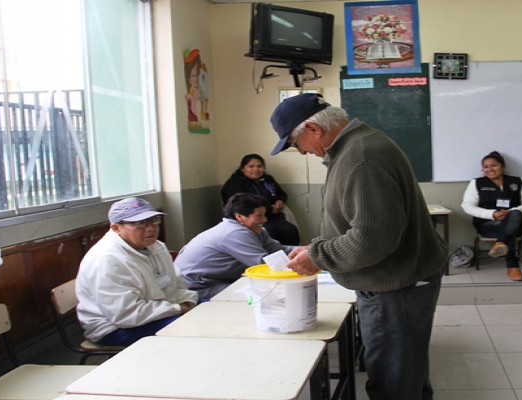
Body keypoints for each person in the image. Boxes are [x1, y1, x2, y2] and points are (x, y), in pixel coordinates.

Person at [269, 93, 447, 400]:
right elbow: (355, 221)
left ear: (314, 129)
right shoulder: (354, 148)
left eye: (296, 144)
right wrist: (315, 247)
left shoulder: (362, 157)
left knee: (393, 383)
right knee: (407, 373)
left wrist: (318, 257)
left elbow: (372, 239)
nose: (301, 152)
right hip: (398, 282)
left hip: (395, 287)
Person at [75, 197, 197, 347]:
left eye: (154, 220)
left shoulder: (156, 246)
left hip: (158, 312)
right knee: (194, 327)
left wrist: (186, 302)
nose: (151, 228)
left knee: (208, 310)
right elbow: (126, 314)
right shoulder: (106, 259)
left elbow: (176, 283)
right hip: (116, 328)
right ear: (116, 228)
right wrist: (177, 309)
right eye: (140, 223)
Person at [175, 193, 295, 300]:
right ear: (239, 217)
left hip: (218, 279)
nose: (264, 219)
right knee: (260, 297)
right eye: (259, 215)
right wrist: (302, 263)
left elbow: (280, 250)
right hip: (200, 286)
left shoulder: (255, 229)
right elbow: (264, 265)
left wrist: (307, 250)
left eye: (264, 214)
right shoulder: (234, 233)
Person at [461, 151, 522, 281]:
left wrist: (511, 212)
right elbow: (467, 206)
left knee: (514, 217)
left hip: (516, 222)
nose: (490, 169)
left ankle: (500, 244)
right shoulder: (477, 183)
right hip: (488, 224)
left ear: (503, 166)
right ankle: (512, 266)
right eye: (486, 167)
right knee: (507, 230)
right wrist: (492, 214)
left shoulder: (517, 182)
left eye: (494, 165)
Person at [220, 154, 300, 245]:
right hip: (250, 219)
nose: (256, 169)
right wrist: (269, 208)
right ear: (242, 168)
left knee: (291, 230)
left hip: (272, 217)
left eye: (259, 166)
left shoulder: (268, 180)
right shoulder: (235, 183)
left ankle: (292, 256)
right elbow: (240, 205)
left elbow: (281, 193)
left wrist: (280, 201)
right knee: (270, 233)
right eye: (251, 166)